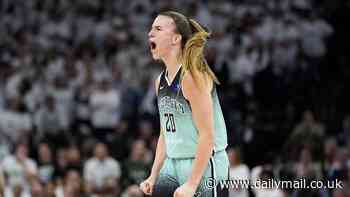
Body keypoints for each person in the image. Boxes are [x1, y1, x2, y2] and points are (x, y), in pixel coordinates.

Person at [140, 11, 229, 197]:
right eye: (150, 28)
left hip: (203, 163)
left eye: (157, 29)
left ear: (175, 39)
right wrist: (153, 175)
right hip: (172, 162)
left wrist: (192, 183)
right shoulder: (160, 81)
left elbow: (207, 135)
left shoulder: (192, 77)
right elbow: (165, 134)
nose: (150, 33)